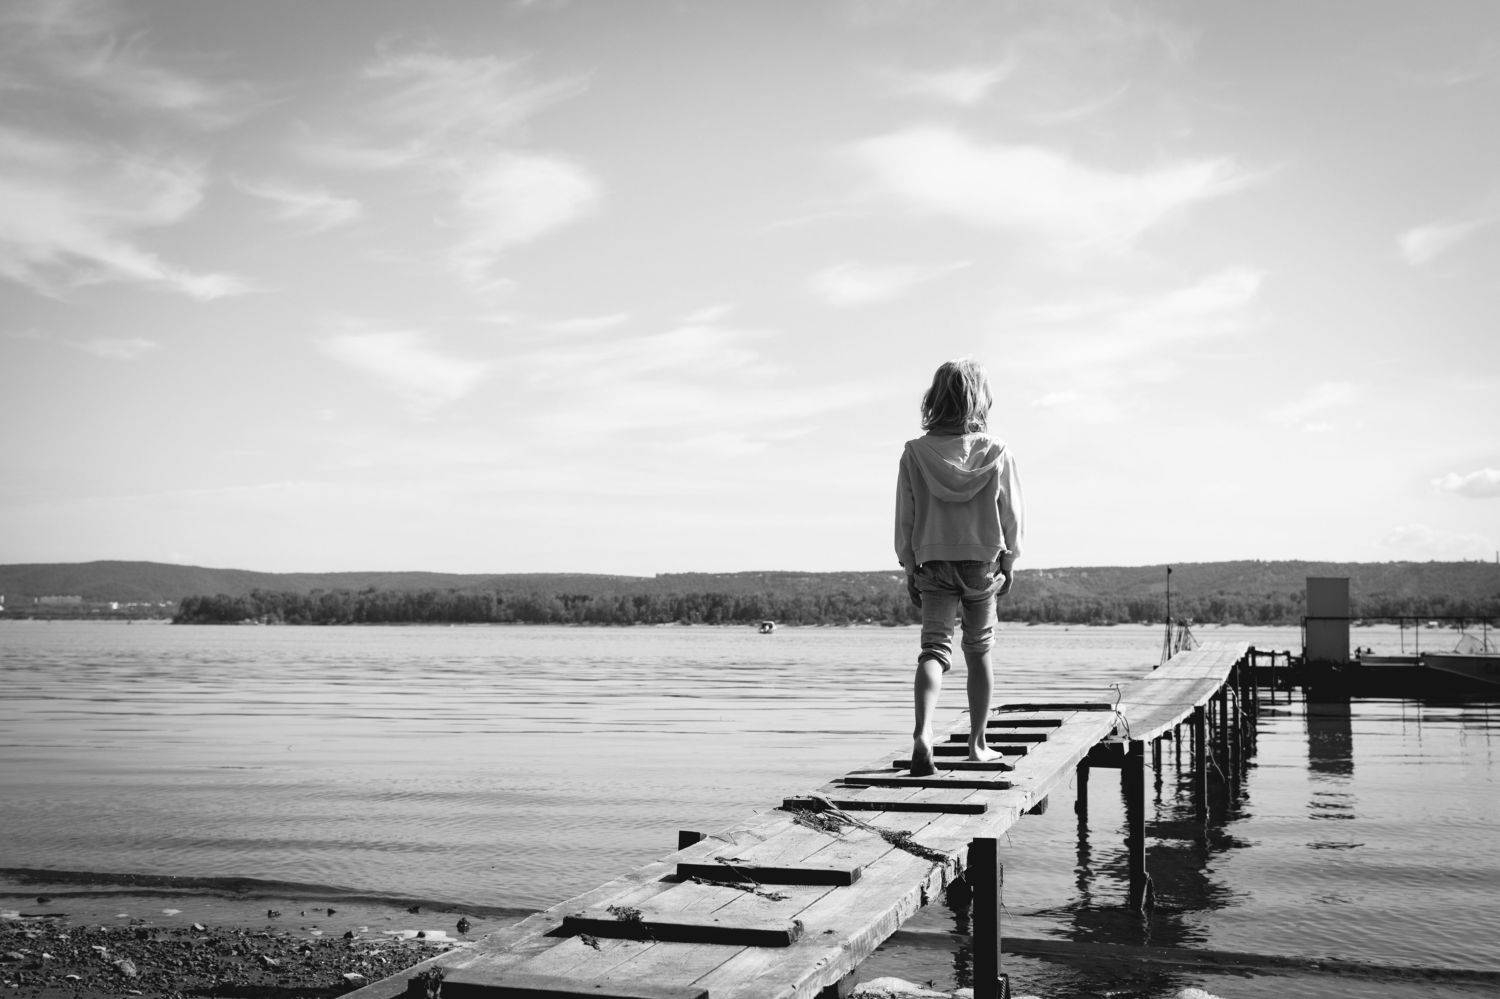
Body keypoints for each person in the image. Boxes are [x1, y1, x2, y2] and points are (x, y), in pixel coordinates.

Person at [895, 358, 1025, 777]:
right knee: (979, 650)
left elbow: (906, 516)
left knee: (934, 650)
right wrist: (1010, 559)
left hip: (933, 560)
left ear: (935, 398)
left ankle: (923, 734)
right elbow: (1011, 513)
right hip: (981, 561)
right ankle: (978, 745)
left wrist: (909, 565)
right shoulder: (996, 450)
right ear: (979, 400)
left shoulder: (915, 452)